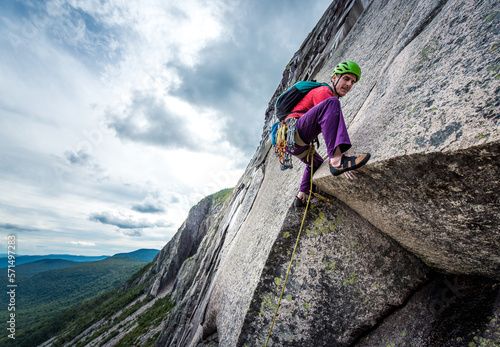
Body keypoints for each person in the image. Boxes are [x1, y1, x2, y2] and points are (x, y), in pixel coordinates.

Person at [285, 61, 371, 207]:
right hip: (295, 131)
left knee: (315, 163)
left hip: (292, 143)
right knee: (332, 103)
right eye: (346, 78)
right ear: (334, 77)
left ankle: (301, 195)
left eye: (352, 82)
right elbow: (329, 126)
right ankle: (337, 161)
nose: (349, 84)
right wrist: (341, 158)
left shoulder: (328, 95)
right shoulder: (324, 92)